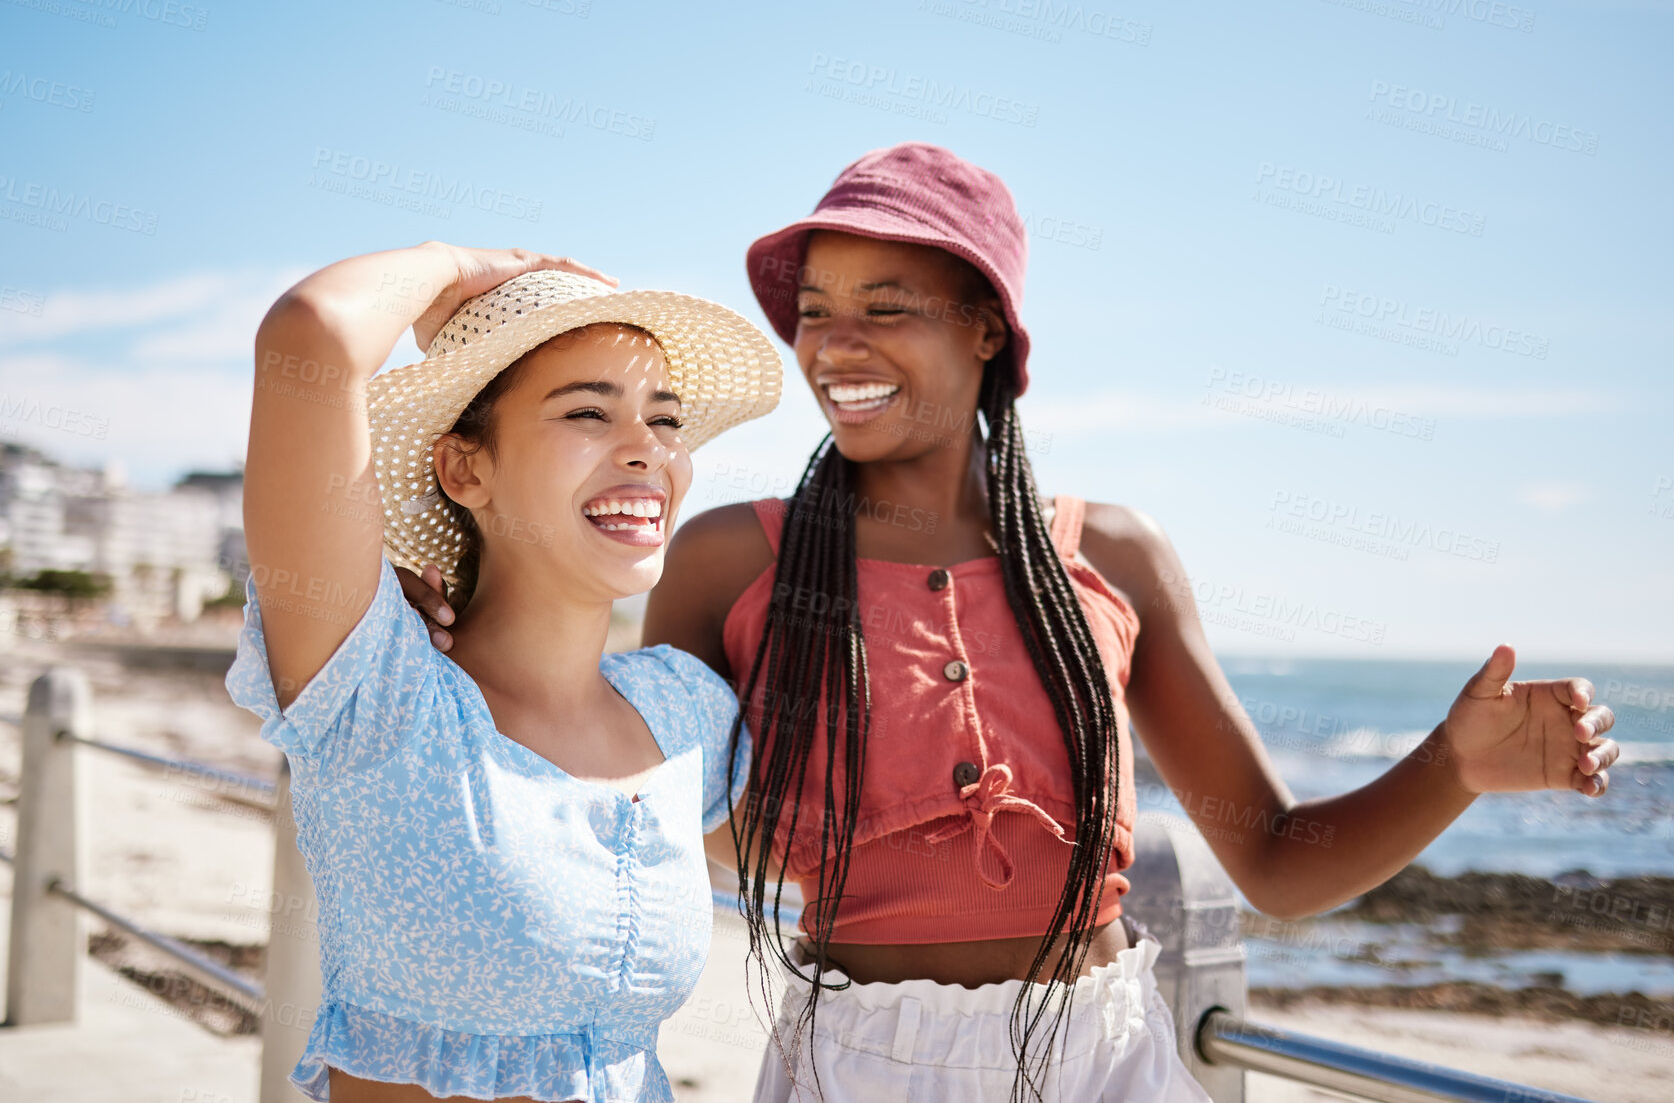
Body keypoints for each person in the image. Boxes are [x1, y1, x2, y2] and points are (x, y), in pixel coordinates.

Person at [400, 145, 1620, 1103]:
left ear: (987, 326)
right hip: (850, 1061)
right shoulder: (729, 558)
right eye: (816, 308)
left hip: (1102, 1056)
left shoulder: (1115, 555)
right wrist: (467, 638)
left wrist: (1452, 767)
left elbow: (1280, 860)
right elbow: (666, 814)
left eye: (887, 304)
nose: (837, 343)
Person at [226, 242, 781, 1102]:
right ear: (464, 468)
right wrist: (456, 266)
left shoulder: (684, 711)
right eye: (589, 414)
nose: (647, 450)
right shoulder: (381, 694)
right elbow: (314, 336)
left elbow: (836, 860)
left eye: (664, 419)